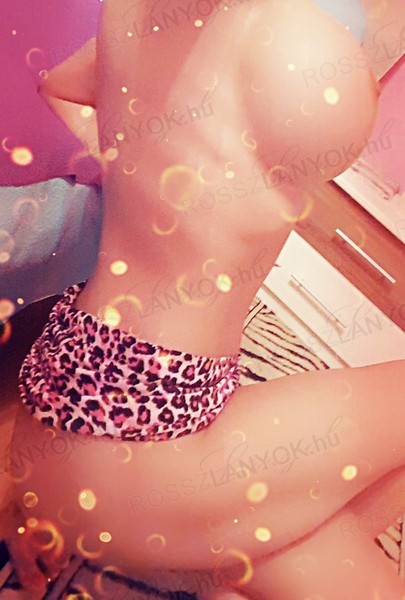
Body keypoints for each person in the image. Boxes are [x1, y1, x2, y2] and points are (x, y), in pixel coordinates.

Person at [5, 0, 405, 598]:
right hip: (147, 452)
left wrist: (138, 166)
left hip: (54, 404)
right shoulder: (301, 46)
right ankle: (208, 549)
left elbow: (60, 86)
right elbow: (337, 106)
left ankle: (221, 552)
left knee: (348, 571)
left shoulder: (128, 14)